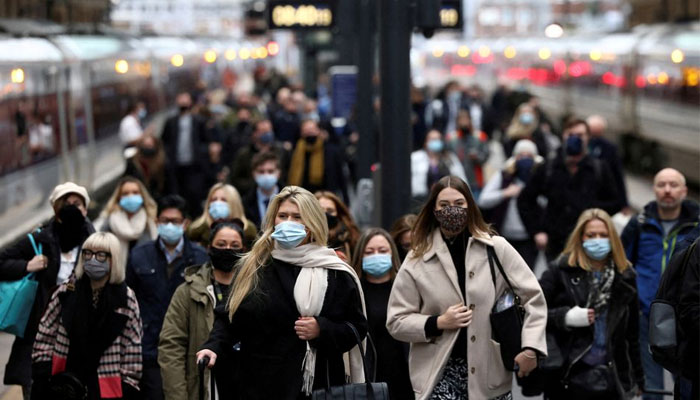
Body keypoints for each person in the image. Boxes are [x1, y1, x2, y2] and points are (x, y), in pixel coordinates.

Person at [196, 186, 368, 399]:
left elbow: (356, 328)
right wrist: (213, 347)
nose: (288, 222)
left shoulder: (333, 270)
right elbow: (229, 319)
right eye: (283, 215)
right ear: (273, 220)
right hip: (260, 385)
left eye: (297, 217)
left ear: (312, 223)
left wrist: (321, 329)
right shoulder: (253, 266)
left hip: (317, 387)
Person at [386, 175, 547, 400]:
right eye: (444, 205)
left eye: (459, 204)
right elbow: (396, 321)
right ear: (433, 210)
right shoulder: (418, 258)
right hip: (438, 373)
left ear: (470, 206)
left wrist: (531, 347)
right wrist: (438, 322)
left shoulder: (495, 248)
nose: (452, 210)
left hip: (489, 373)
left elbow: (534, 299)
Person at [0, 182, 94, 399]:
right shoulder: (40, 239)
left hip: (79, 335)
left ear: (86, 209)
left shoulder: (96, 242)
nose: (72, 208)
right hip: (39, 335)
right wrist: (26, 266)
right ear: (55, 209)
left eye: (77, 204)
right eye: (66, 204)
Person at [538, 208, 644, 399]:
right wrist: (565, 317)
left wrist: (637, 378)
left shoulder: (625, 276)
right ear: (580, 238)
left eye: (603, 235)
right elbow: (532, 310)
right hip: (569, 374)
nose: (597, 240)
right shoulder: (561, 270)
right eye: (591, 235)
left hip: (611, 377)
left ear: (613, 238)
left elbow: (632, 334)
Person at [31, 232, 142, 400]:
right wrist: (44, 371)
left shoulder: (126, 298)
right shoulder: (66, 291)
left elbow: (133, 345)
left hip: (105, 384)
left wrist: (127, 384)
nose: (92, 259)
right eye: (87, 253)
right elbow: (45, 333)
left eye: (101, 255)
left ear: (114, 259)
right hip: (63, 383)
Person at [620, 168, 699, 400]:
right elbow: (623, 264)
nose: (667, 190)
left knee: (686, 380)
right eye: (661, 184)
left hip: (687, 319)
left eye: (673, 185)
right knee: (651, 386)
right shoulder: (639, 224)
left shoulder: (697, 226)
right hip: (648, 315)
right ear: (653, 190)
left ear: (684, 191)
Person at [126, 195, 208, 400]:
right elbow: (128, 299)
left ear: (185, 224)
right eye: (165, 221)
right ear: (156, 222)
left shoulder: (199, 258)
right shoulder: (139, 255)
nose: (170, 225)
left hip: (189, 347)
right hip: (149, 346)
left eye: (175, 221)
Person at [159, 221, 247, 400]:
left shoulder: (255, 290)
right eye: (221, 245)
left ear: (244, 249)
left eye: (234, 245)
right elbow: (171, 348)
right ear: (209, 248)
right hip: (203, 387)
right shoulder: (188, 292)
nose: (228, 249)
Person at [518, 118, 624, 260]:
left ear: (588, 138)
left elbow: (616, 201)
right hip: (556, 243)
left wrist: (593, 213)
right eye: (570, 134)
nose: (575, 139)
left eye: (580, 135)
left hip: (587, 241)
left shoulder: (599, 168)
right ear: (564, 136)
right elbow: (525, 199)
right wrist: (537, 230)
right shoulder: (549, 166)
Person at [350, 228, 413, 399]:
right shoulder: (352, 290)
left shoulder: (407, 287)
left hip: (405, 375)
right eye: (369, 252)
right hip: (366, 378)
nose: (376, 255)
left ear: (392, 254)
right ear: (360, 256)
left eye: (383, 251)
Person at [479, 139, 544, 269]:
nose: (525, 159)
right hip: (504, 236)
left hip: (529, 237)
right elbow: (483, 200)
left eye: (529, 156)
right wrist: (505, 193)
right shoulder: (504, 176)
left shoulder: (540, 177)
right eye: (521, 155)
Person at [161, 92, 208, 217]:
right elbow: (164, 140)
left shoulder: (198, 121)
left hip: (194, 165)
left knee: (194, 194)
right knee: (178, 195)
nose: (183, 102)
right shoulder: (171, 121)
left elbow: (205, 140)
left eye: (185, 99)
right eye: (180, 99)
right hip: (176, 166)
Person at [96, 177, 158, 262]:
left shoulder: (150, 222)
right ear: (119, 198)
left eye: (135, 192)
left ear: (142, 196)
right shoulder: (109, 222)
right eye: (125, 193)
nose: (130, 196)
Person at [287, 119, 347, 199]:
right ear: (301, 133)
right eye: (306, 131)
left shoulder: (331, 151)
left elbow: (341, 176)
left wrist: (346, 199)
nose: (309, 133)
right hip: (301, 198)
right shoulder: (295, 152)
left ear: (318, 131)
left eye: (312, 130)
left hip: (325, 198)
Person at [229, 119, 289, 195]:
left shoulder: (281, 152)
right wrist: (256, 183)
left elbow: (287, 174)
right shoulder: (244, 154)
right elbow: (235, 179)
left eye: (269, 130)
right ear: (255, 134)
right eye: (264, 131)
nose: (268, 133)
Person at [187, 183, 257, 247]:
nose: (218, 203)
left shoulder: (248, 231)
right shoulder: (196, 230)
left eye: (224, 200)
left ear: (234, 204)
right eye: (214, 200)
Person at [410, 129, 467, 205]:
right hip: (422, 200)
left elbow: (461, 178)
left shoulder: (450, 158)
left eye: (438, 139)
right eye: (433, 139)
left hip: (447, 199)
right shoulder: (416, 157)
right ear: (425, 142)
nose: (436, 142)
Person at [586, 115, 629, 212]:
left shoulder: (610, 148)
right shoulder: (581, 146)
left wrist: (624, 202)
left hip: (602, 196)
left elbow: (618, 175)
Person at [446, 109, 490, 198]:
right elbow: (447, 158)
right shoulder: (451, 138)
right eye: (461, 119)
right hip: (456, 180)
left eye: (466, 119)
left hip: (475, 180)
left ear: (470, 120)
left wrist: (476, 157)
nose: (463, 122)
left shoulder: (480, 136)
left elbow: (485, 157)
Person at [315, 191, 360, 262]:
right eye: (320, 211)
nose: (325, 214)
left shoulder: (351, 239)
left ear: (339, 214)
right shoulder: (305, 239)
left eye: (330, 211)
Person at [242, 151, 282, 229]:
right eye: (261, 171)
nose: (266, 175)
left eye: (270, 171)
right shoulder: (245, 202)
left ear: (278, 173)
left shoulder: (290, 199)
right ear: (254, 174)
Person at [124, 135, 171, 201]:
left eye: (149, 145)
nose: (147, 148)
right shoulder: (134, 163)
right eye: (145, 146)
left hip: (159, 198)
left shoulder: (163, 163)